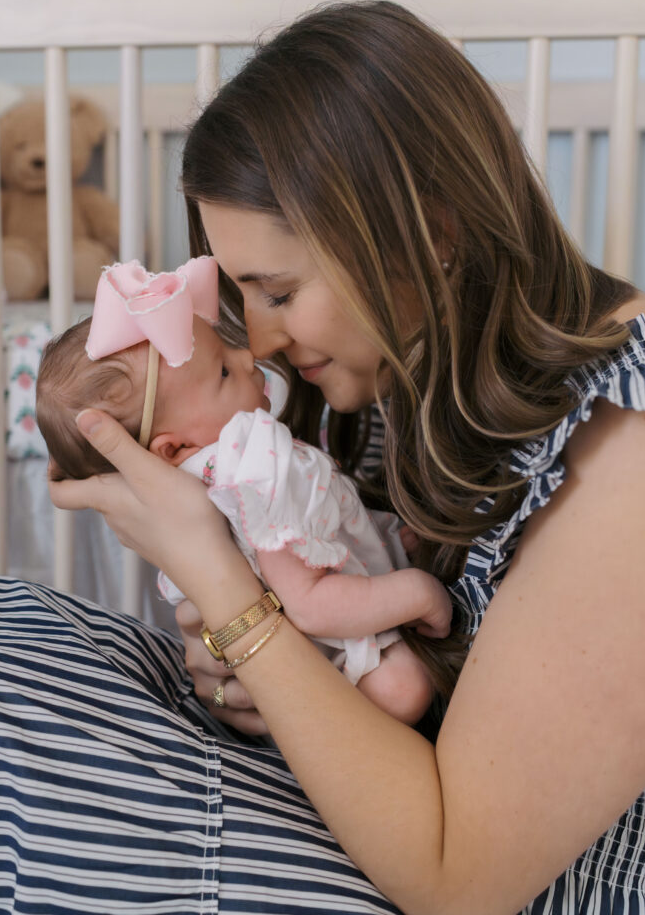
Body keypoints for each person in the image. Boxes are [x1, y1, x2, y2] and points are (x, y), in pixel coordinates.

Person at [0, 0, 645, 915]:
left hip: (501, 883)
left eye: (276, 291)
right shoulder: (411, 372)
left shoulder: (644, 440)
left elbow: (461, 880)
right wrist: (243, 665)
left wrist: (217, 580)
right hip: (388, 793)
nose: (260, 342)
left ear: (428, 235)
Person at [34, 257, 455, 725]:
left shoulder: (217, 478)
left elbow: (324, 529)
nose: (248, 355)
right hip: (325, 653)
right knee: (403, 687)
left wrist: (390, 535)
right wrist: (419, 591)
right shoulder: (251, 474)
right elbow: (311, 605)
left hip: (289, 648)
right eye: (223, 373)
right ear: (174, 447)